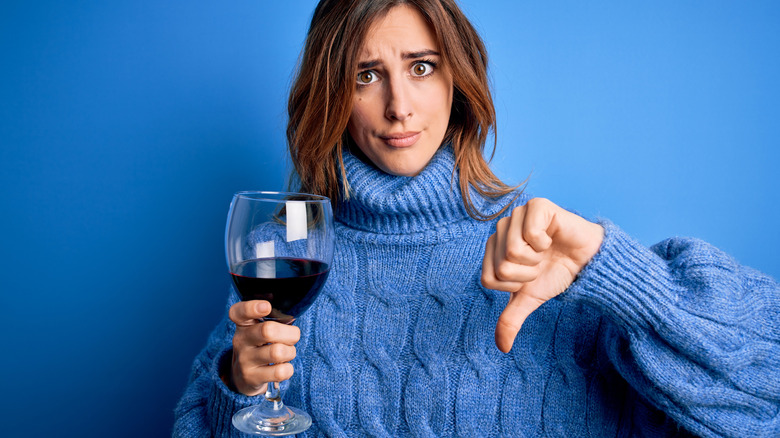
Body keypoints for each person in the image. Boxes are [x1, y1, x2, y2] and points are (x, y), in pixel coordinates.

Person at [174, 0, 780, 436]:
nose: (398, 106)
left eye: (421, 66)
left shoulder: (545, 252)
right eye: (366, 75)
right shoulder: (289, 252)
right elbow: (198, 425)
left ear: (456, 82)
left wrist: (615, 269)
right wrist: (241, 391)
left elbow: (764, 388)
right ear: (333, 94)